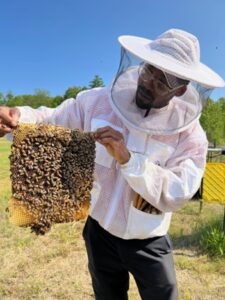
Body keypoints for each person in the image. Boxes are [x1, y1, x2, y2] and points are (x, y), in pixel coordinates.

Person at [0, 29, 224, 300]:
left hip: (149, 241)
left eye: (162, 82)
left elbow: (179, 190)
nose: (148, 83)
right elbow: (54, 117)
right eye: (148, 71)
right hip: (99, 232)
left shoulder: (190, 136)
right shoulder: (97, 101)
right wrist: (19, 116)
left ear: (181, 89)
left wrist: (129, 160)